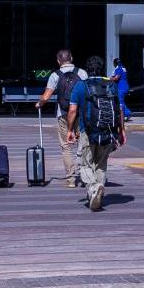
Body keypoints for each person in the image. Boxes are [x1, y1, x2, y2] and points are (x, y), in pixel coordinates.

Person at [67, 56, 126, 211]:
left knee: (84, 164)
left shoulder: (81, 86)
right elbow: (119, 109)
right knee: (101, 164)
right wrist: (121, 131)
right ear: (102, 69)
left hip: (88, 131)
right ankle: (97, 197)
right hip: (108, 131)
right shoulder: (111, 85)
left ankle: (94, 187)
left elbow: (73, 110)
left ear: (87, 70)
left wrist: (69, 130)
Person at [35, 50, 88, 187]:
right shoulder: (82, 73)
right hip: (81, 114)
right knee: (82, 145)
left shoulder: (55, 75)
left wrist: (39, 103)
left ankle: (70, 179)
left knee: (66, 147)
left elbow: (46, 97)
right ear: (71, 58)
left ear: (58, 61)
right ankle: (85, 175)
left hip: (63, 114)